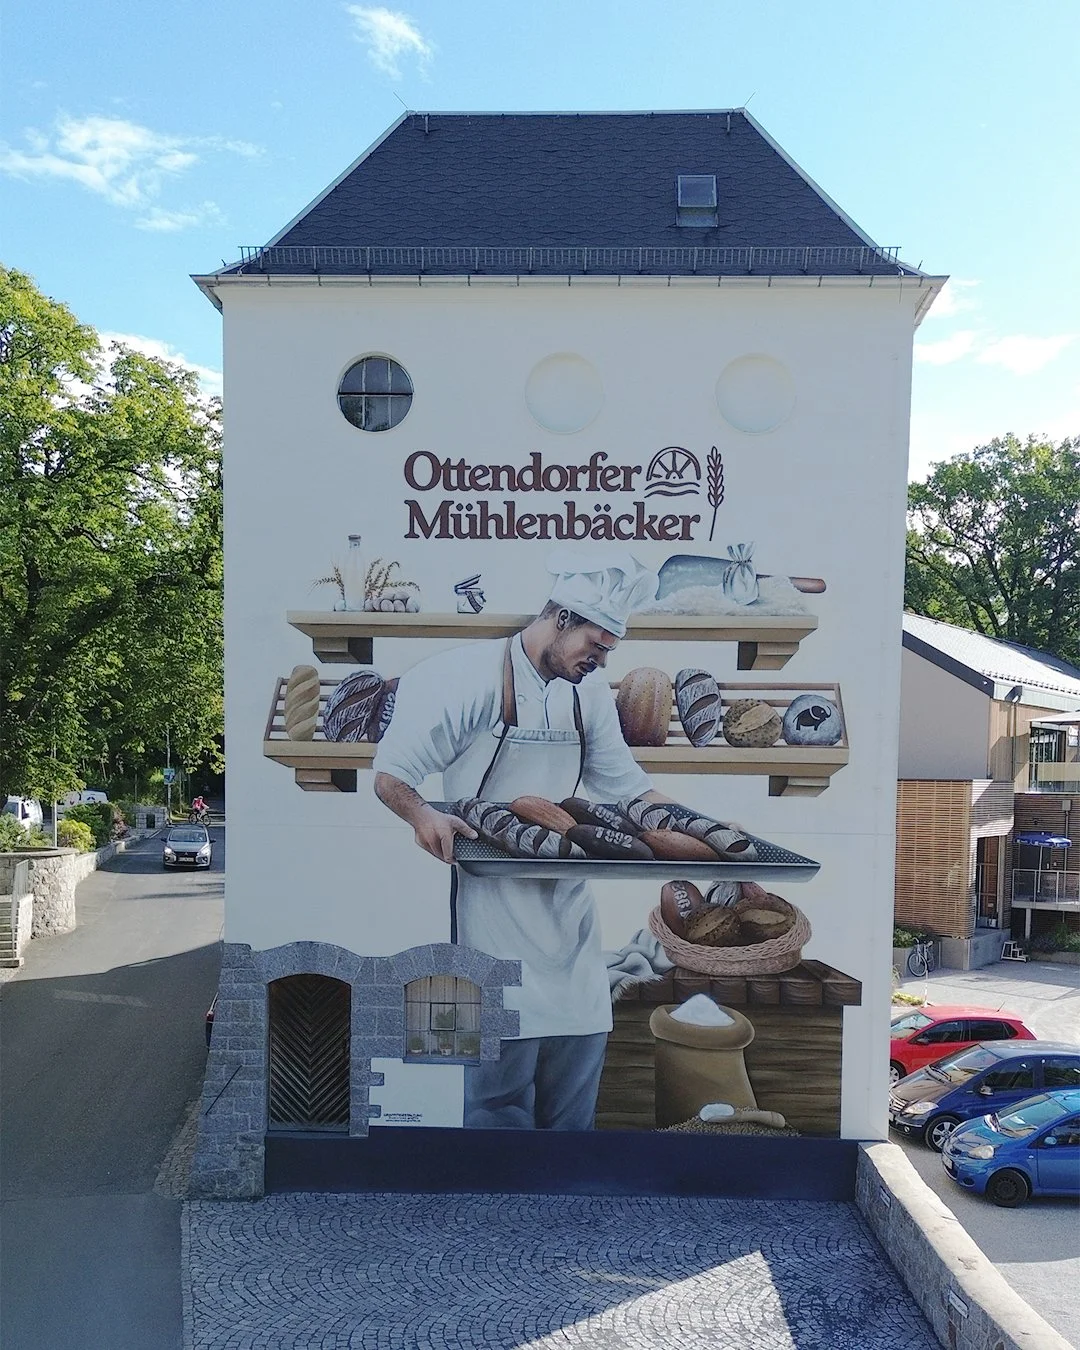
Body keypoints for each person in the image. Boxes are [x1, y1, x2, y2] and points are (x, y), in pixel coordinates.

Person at [373, 549, 674, 1131]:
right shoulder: (460, 676)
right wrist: (423, 817)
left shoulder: (589, 695)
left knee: (573, 1103)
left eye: (610, 650)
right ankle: (497, 1212)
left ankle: (563, 1209)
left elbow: (629, 788)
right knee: (491, 1105)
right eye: (596, 644)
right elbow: (392, 777)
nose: (600, 659)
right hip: (483, 921)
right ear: (560, 618)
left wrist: (703, 833)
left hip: (570, 924)